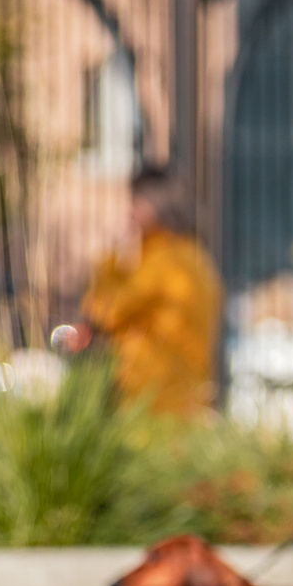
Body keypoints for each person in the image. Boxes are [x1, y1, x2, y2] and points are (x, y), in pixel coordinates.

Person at [82, 169, 221, 418]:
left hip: (151, 399)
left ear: (154, 205)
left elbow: (105, 312)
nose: (129, 212)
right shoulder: (195, 258)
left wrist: (109, 261)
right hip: (187, 397)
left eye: (134, 201)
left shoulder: (161, 262)